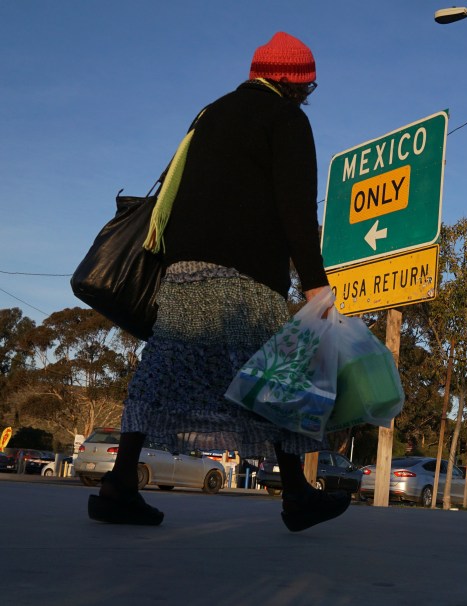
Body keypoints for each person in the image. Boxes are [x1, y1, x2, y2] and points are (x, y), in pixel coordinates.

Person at [87, 32, 350, 532]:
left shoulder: (210, 114)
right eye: (308, 88)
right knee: (276, 380)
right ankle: (296, 494)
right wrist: (315, 285)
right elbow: (295, 209)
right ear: (295, 84)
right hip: (247, 279)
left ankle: (119, 483)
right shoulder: (287, 119)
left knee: (160, 374)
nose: (307, 96)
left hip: (184, 272)